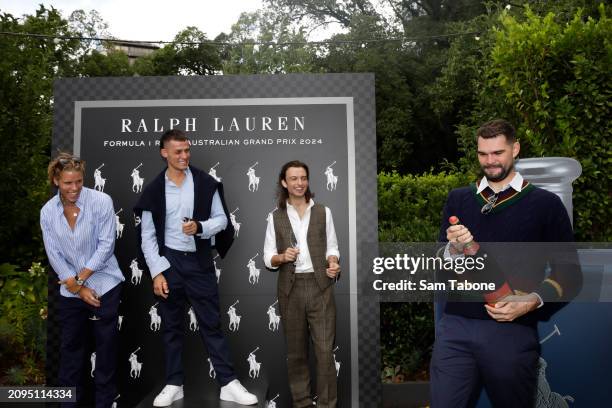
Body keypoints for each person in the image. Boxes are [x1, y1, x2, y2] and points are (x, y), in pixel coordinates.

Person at [430, 119, 582, 407]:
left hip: (511, 331)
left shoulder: (546, 204)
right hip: (455, 328)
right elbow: (439, 263)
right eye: (483, 154)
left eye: (498, 153)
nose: (490, 162)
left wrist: (532, 301)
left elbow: (570, 274)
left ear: (515, 149)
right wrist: (450, 249)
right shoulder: (459, 199)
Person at [134, 129, 257, 406]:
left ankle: (228, 383)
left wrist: (200, 227)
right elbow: (148, 237)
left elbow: (222, 220)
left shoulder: (205, 182)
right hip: (168, 264)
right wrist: (156, 272)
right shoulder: (153, 189)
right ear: (164, 153)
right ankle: (174, 384)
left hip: (199, 263)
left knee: (212, 325)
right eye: (178, 151)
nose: (184, 156)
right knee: (171, 328)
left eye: (187, 150)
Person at [40, 153, 124, 408]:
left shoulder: (101, 201)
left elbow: (107, 245)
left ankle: (104, 404)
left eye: (78, 181)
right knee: (70, 353)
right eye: (67, 183)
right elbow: (53, 254)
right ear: (56, 181)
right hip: (71, 292)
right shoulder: (47, 212)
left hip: (106, 286)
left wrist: (81, 280)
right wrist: (77, 288)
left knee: (106, 353)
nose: (74, 188)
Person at [264, 160, 341, 408]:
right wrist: (281, 257)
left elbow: (332, 247)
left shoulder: (323, 211)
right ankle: (303, 404)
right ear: (284, 183)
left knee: (325, 353)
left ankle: (328, 405)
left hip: (321, 287)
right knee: (296, 354)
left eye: (303, 178)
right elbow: (267, 258)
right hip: (290, 289)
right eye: (294, 179)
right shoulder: (275, 217)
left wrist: (333, 262)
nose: (299, 183)